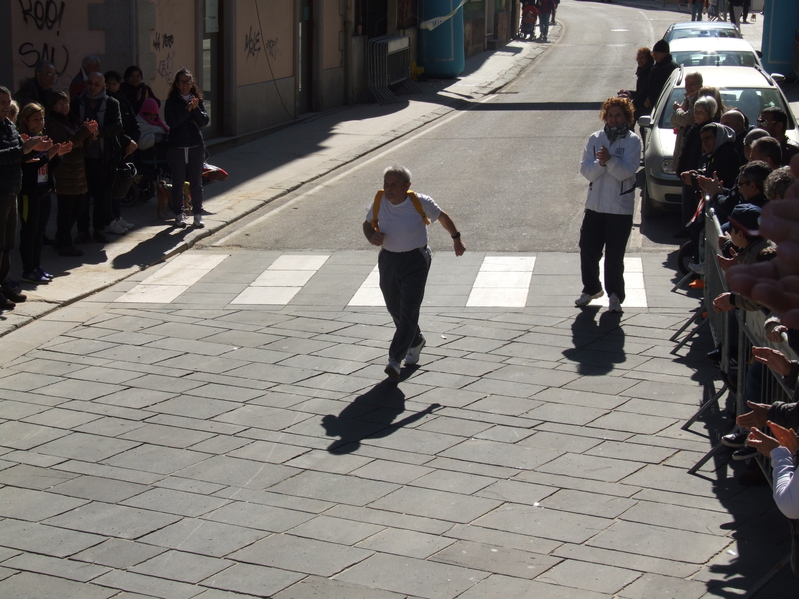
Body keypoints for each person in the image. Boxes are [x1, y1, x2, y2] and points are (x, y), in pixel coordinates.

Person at [362, 165, 465, 378]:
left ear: (407, 186)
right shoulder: (380, 201)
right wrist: (370, 236)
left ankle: (395, 359)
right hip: (388, 259)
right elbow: (367, 224)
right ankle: (415, 340)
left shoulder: (420, 202)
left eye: (394, 185)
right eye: (386, 184)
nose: (388, 189)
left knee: (408, 309)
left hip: (415, 259)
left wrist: (456, 239)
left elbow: (443, 217)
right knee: (394, 307)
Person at [576, 97, 641, 312]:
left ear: (626, 117)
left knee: (614, 256)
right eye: (610, 115)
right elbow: (586, 171)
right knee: (587, 249)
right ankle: (591, 288)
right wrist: (601, 163)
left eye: (618, 115)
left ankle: (615, 295)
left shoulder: (632, 141)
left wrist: (610, 161)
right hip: (595, 206)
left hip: (619, 208)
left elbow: (627, 172)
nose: (614, 119)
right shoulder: (595, 138)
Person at [0, 86, 53, 309]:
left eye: (8, 102)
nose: (6, 106)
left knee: (8, 242)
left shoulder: (9, 126)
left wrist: (32, 150)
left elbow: (18, 154)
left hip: (12, 190)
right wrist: (24, 149)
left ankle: (4, 284)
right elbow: (9, 154)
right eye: (1, 102)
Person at [15, 102, 71, 284]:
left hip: (43, 191)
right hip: (29, 192)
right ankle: (28, 269)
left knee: (40, 232)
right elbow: (28, 168)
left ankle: (37, 267)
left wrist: (56, 154)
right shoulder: (24, 140)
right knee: (29, 232)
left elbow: (49, 167)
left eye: (42, 119)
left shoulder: (43, 139)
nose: (40, 122)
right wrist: (47, 155)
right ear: (26, 121)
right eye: (35, 119)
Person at [71, 72, 123, 243]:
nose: (92, 87)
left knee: (101, 198)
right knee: (81, 198)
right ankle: (82, 230)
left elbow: (117, 126)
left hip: (102, 159)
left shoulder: (111, 103)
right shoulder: (77, 102)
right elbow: (70, 125)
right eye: (90, 83)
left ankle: (99, 230)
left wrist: (99, 131)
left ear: (103, 86)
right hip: (81, 159)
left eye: (97, 84)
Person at [46, 91, 98, 257]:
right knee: (66, 209)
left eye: (65, 103)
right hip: (64, 172)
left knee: (80, 206)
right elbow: (66, 145)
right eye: (59, 104)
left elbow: (82, 143)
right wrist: (84, 131)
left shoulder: (71, 120)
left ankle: (61, 237)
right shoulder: (53, 123)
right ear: (53, 106)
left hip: (78, 172)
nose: (64, 107)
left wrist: (90, 133)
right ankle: (65, 243)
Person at [165, 69, 209, 229]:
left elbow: (204, 121)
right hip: (177, 147)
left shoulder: (197, 100)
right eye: (182, 82)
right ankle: (179, 214)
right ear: (177, 84)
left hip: (195, 146)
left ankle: (198, 214)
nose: (185, 85)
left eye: (188, 82)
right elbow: (172, 122)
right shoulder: (172, 101)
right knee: (178, 183)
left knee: (196, 182)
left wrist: (195, 108)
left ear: (192, 84)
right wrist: (187, 110)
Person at [677, 95, 717, 232]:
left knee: (695, 209)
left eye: (701, 112)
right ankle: (686, 229)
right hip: (688, 172)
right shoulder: (693, 128)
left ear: (709, 113)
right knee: (687, 206)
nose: (696, 114)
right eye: (695, 111)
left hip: (698, 175)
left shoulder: (710, 130)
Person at [671, 72, 703, 178]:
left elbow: (686, 120)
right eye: (687, 84)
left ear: (700, 85)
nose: (688, 87)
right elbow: (673, 120)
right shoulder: (688, 98)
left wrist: (678, 109)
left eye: (692, 84)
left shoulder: (698, 100)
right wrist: (680, 117)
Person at [618, 47, 654, 124]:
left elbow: (644, 93)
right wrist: (628, 93)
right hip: (641, 104)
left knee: (629, 122)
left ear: (648, 59)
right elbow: (640, 92)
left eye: (642, 58)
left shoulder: (649, 72)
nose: (639, 61)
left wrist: (633, 103)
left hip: (646, 107)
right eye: (638, 58)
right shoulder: (642, 70)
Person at [646, 40, 678, 112]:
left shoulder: (670, 68)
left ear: (664, 54)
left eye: (656, 53)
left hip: (663, 106)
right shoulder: (658, 65)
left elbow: (663, 88)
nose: (654, 55)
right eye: (653, 53)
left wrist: (652, 98)